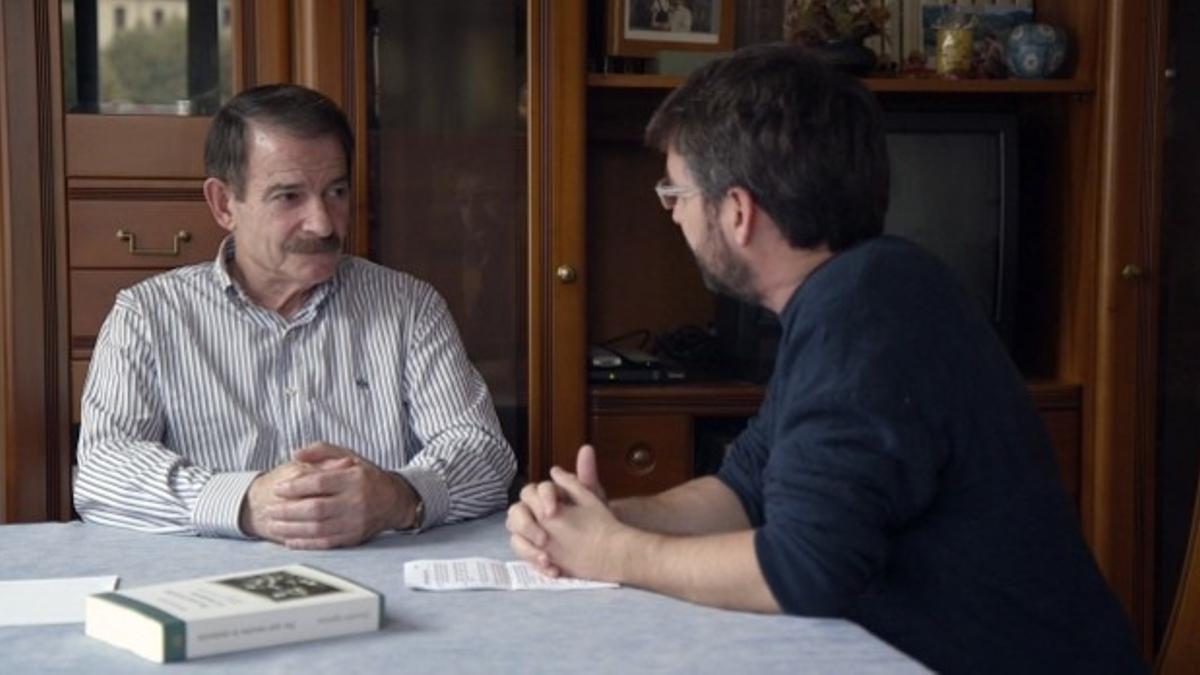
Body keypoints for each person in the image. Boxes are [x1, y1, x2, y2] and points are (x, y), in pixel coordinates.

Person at [506, 45, 1145, 674]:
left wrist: (618, 554)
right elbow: (743, 491)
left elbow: (806, 571)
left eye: (675, 191)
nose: (671, 213)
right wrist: (600, 520)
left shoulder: (865, 312)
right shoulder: (859, 293)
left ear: (737, 211)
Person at [75, 84, 516, 549]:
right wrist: (245, 503)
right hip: (211, 597)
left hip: (385, 589)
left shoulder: (409, 308)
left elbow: (483, 453)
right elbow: (103, 471)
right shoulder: (148, 317)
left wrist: (399, 496)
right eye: (289, 197)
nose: (324, 223)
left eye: (336, 192)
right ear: (224, 204)